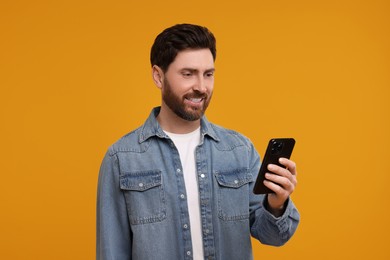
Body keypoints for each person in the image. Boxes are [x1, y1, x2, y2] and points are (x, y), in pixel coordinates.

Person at [97, 23, 300, 260]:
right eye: (188, 74)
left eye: (208, 74)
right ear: (158, 76)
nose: (201, 87)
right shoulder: (122, 158)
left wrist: (277, 202)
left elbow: (273, 236)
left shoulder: (239, 151)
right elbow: (111, 252)